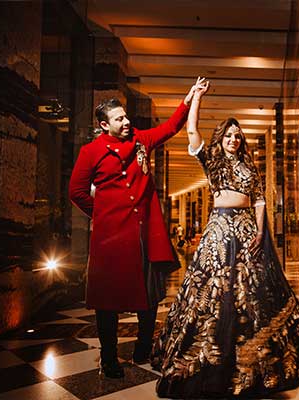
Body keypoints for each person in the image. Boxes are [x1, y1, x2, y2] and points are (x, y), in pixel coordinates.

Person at [151, 79, 299, 398]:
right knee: (214, 291)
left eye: (237, 136)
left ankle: (258, 358)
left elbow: (259, 199)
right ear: (222, 139)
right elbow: (192, 131)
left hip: (246, 231)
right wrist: (196, 98)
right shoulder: (212, 161)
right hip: (219, 231)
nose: (233, 139)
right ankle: (210, 359)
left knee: (253, 290)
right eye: (229, 135)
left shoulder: (249, 166)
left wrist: (259, 231)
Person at [69, 79, 205, 379]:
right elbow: (76, 191)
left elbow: (170, 127)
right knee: (107, 300)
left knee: (150, 294)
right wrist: (102, 213)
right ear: (105, 125)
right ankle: (108, 357)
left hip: (145, 234)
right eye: (119, 119)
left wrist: (189, 98)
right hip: (111, 238)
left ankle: (143, 347)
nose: (126, 122)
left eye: (126, 116)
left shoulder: (140, 139)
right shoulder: (91, 152)